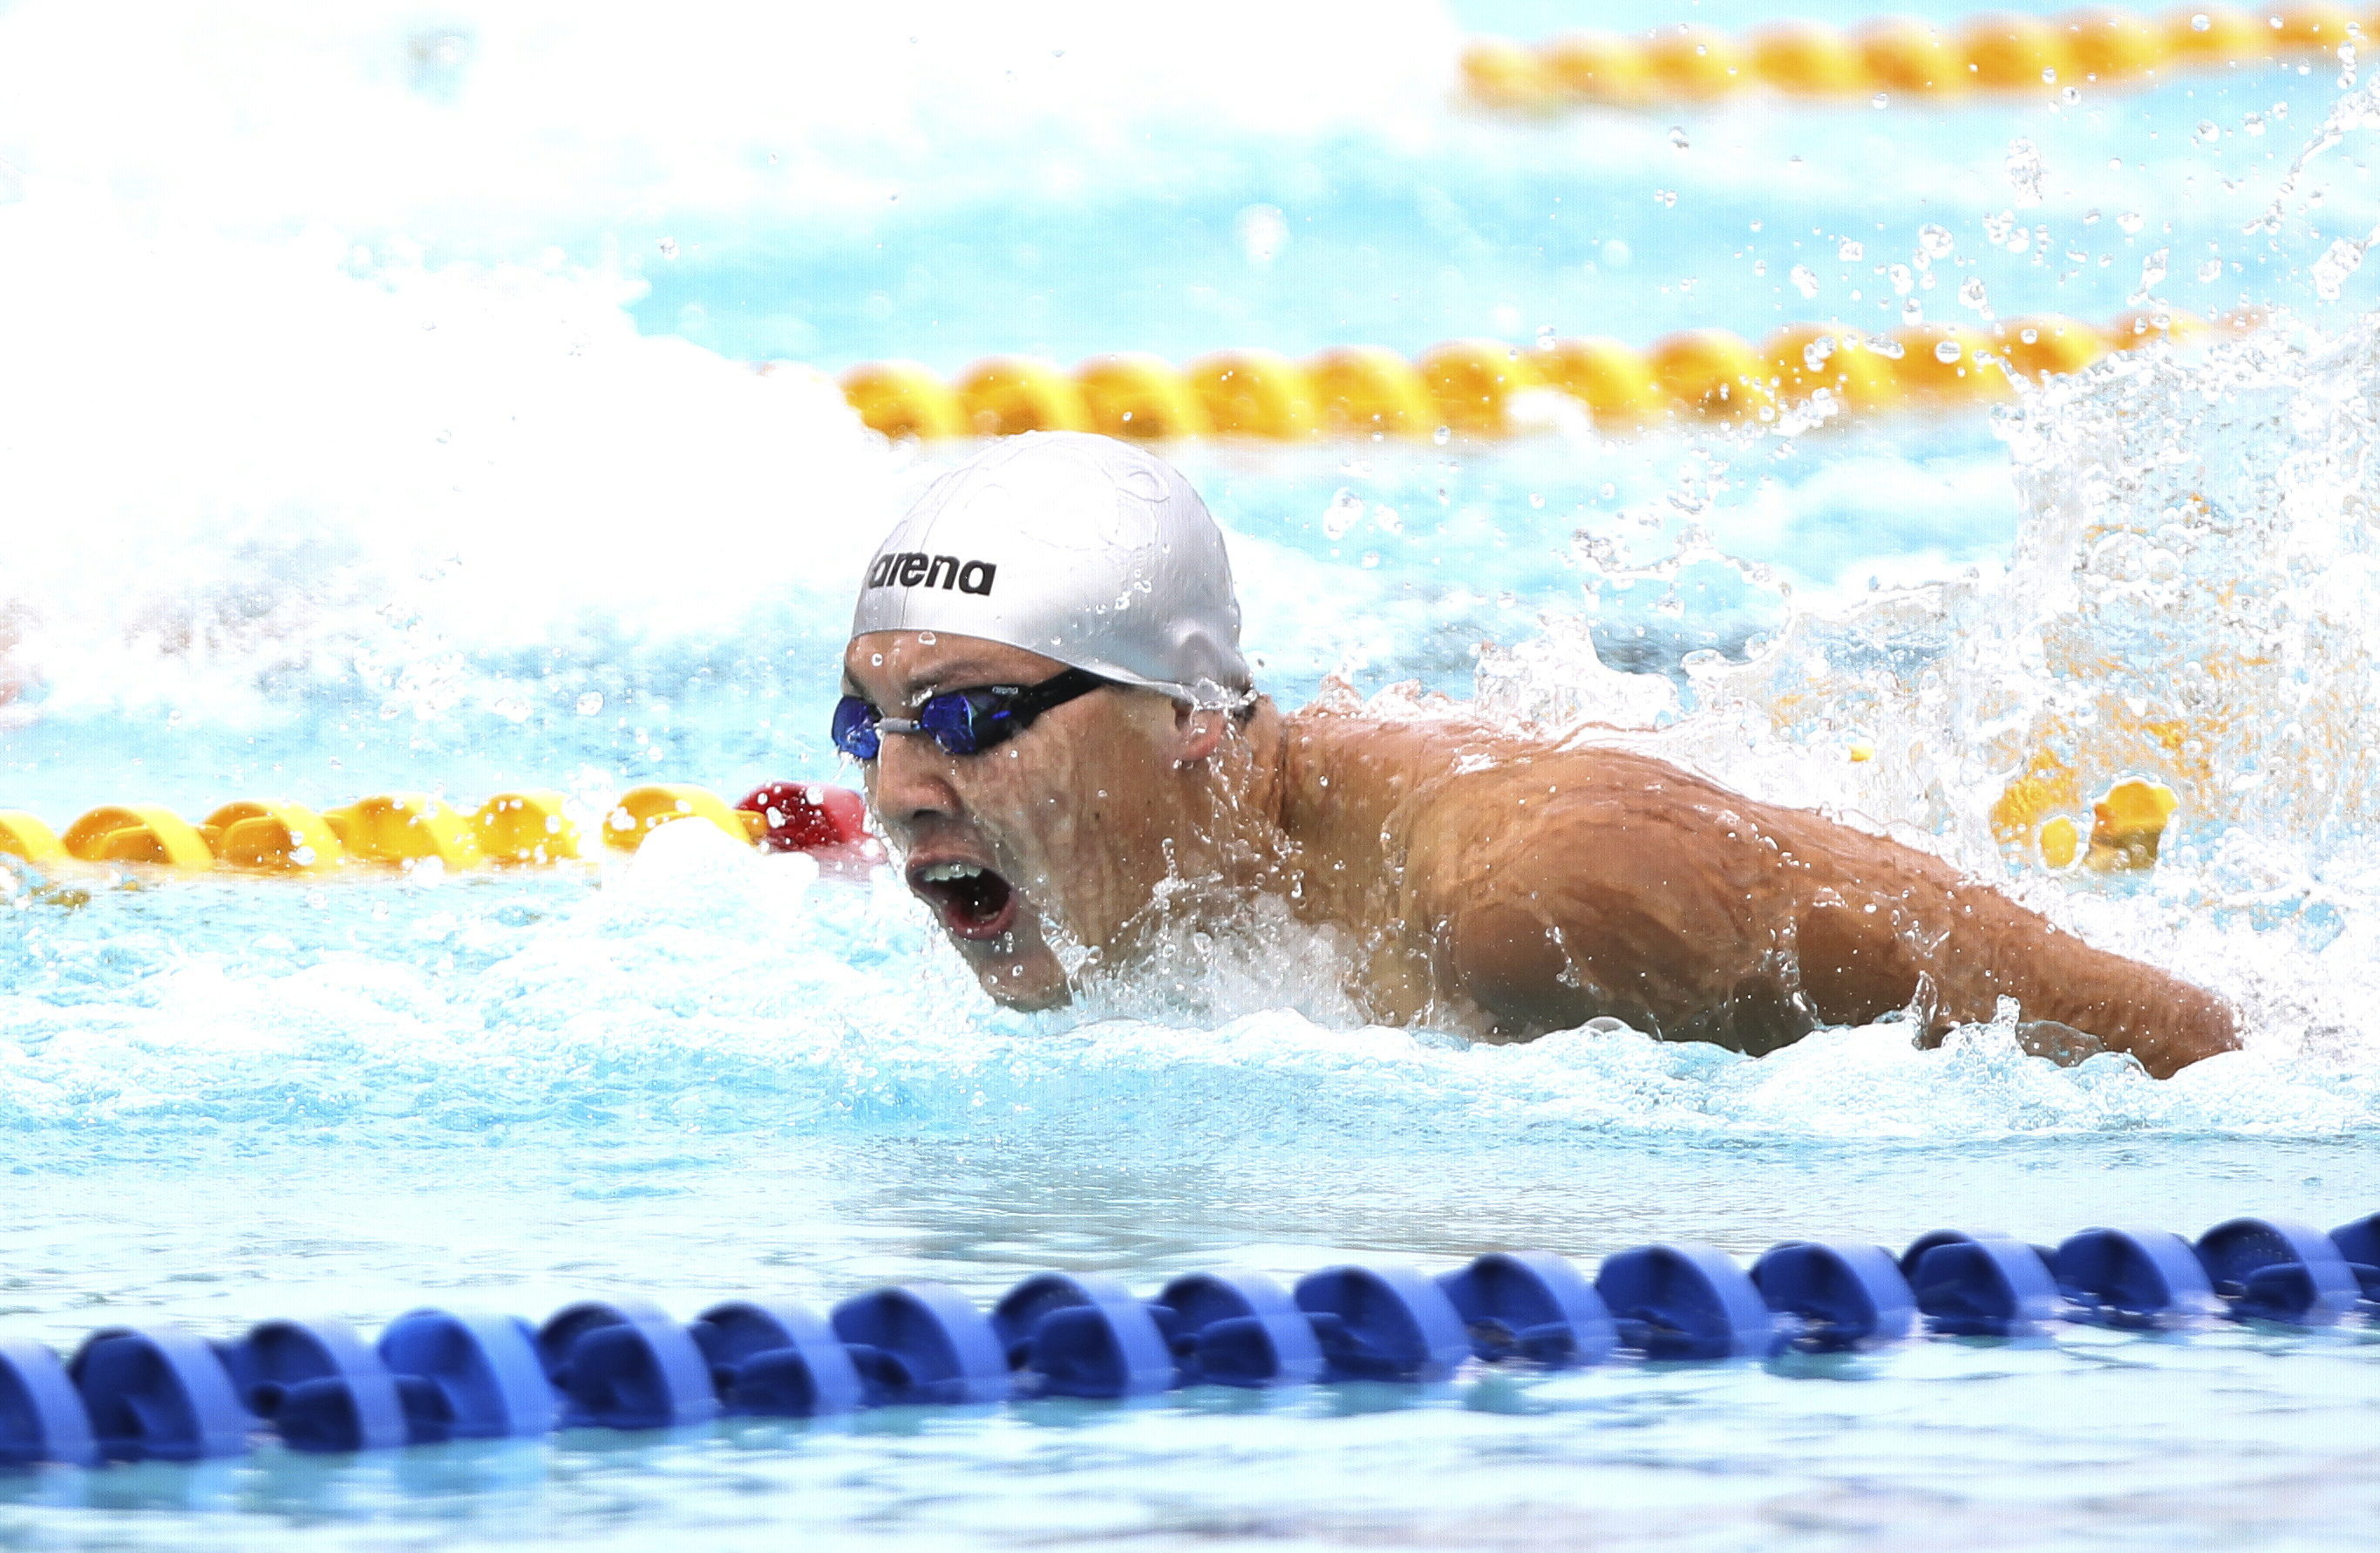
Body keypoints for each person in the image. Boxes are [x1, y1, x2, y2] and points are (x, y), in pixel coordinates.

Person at [837, 432, 2239, 1079]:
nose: (899, 793)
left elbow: (2188, 1053)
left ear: (1193, 715)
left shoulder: (1537, 911)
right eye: (872, 721)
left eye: (967, 720)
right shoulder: (1156, 897)